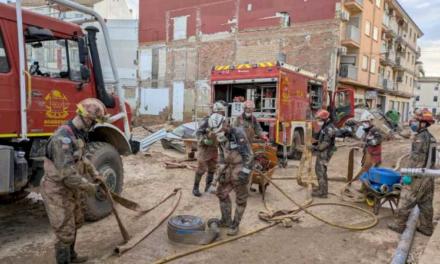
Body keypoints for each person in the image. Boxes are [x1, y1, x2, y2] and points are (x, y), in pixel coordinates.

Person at [41, 98, 107, 264]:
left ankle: (72, 257)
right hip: (57, 189)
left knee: (75, 221)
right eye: (94, 122)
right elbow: (68, 175)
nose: (93, 126)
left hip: (71, 188)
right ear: (87, 118)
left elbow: (81, 159)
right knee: (64, 229)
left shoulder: (77, 134)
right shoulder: (61, 139)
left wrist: (95, 172)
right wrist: (90, 188)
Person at [388, 110, 437, 236]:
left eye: (416, 120)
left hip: (418, 175)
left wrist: (408, 174)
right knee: (425, 202)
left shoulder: (420, 138)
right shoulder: (431, 137)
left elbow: (416, 159)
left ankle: (398, 225)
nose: (413, 122)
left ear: (423, 123)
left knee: (406, 198)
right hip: (428, 175)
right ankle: (426, 227)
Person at [211, 113, 254, 236]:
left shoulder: (238, 133)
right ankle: (226, 220)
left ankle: (235, 225)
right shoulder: (220, 136)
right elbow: (222, 155)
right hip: (228, 167)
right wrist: (219, 172)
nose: (218, 132)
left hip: (240, 166)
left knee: (240, 199)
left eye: (219, 129)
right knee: (221, 192)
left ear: (225, 124)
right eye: (216, 131)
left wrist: (245, 173)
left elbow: (249, 155)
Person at [192, 101, 226, 197]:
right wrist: (204, 141)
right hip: (204, 148)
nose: (222, 113)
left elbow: (224, 133)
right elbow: (198, 133)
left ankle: (208, 187)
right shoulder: (207, 120)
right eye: (221, 111)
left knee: (212, 168)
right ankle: (195, 188)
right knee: (201, 169)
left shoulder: (223, 121)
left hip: (214, 148)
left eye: (222, 112)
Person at [310, 109, 337, 198]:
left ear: (325, 119)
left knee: (321, 171)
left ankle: (322, 193)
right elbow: (320, 137)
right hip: (322, 152)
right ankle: (322, 188)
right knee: (320, 171)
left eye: (319, 119)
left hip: (325, 153)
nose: (318, 121)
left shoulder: (329, 128)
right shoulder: (325, 126)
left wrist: (314, 148)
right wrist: (315, 141)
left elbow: (325, 143)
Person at [357, 111, 383, 177]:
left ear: (370, 121)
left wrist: (368, 142)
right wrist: (363, 144)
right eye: (363, 122)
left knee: (373, 174)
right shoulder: (366, 131)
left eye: (366, 122)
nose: (364, 123)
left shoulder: (375, 129)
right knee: (365, 172)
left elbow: (378, 140)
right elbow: (364, 140)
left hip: (374, 156)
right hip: (367, 155)